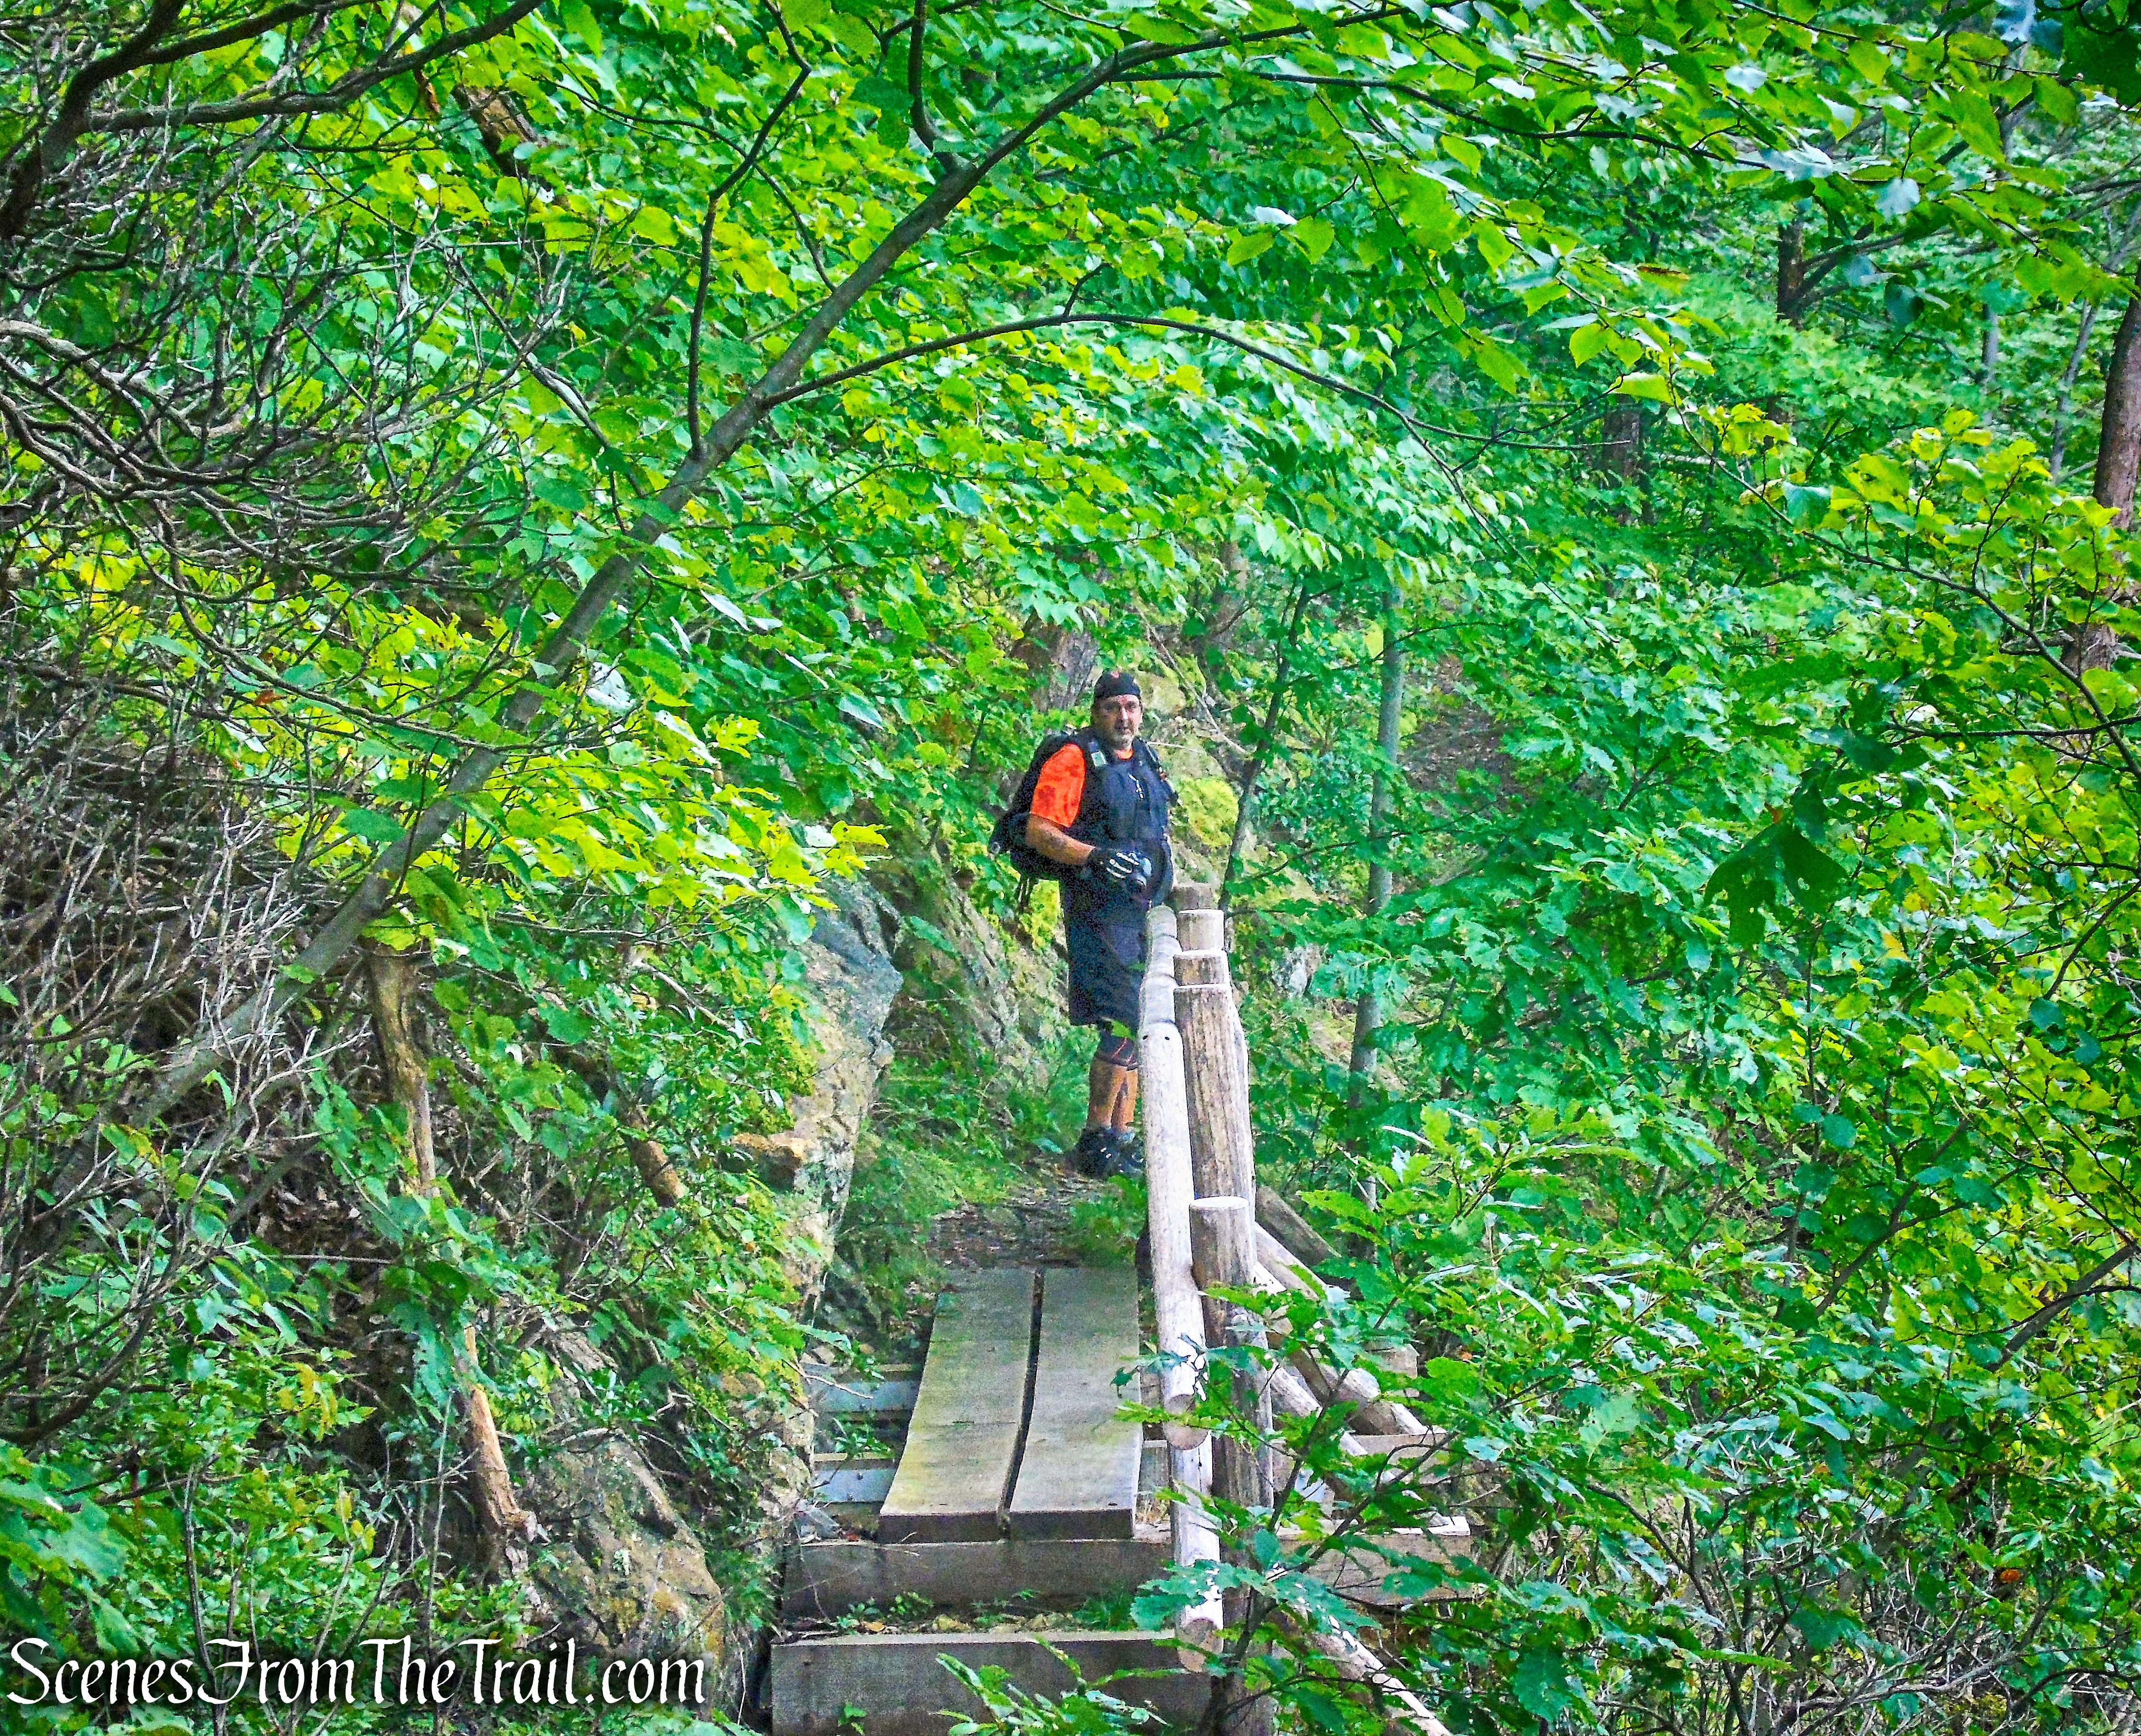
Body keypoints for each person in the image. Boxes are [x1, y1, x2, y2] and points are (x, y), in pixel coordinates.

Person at [1023, 670, 1173, 1178]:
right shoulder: (1075, 759)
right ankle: (1096, 1140)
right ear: (1096, 712)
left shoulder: (1143, 758)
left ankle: (1121, 1138)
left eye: (1131, 707)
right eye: (1113, 708)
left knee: (1137, 1021)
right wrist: (1096, 857)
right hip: (1096, 909)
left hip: (1140, 910)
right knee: (1122, 1020)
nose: (1123, 718)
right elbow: (1040, 832)